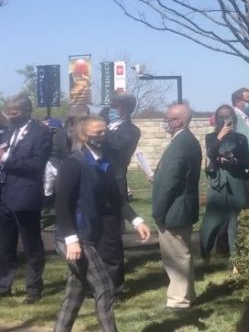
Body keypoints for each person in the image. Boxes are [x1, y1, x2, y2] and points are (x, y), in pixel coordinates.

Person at [53, 116, 151, 332]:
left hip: (89, 235)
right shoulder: (74, 163)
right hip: (73, 238)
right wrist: (72, 240)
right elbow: (61, 205)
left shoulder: (104, 161)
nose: (102, 136)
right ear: (82, 136)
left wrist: (136, 220)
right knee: (105, 287)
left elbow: (115, 197)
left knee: (75, 292)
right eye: (97, 133)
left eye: (104, 132)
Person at [0, 94, 52, 303]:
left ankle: (33, 288)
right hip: (4, 195)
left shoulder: (41, 134)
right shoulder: (10, 131)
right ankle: (4, 285)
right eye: (8, 113)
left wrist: (6, 158)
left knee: (31, 245)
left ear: (27, 111)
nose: (10, 117)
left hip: (25, 196)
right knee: (4, 245)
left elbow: (36, 164)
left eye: (14, 113)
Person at [151, 104, 202, 310]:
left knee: (177, 255)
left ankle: (179, 299)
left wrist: (158, 211)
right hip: (182, 205)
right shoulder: (187, 141)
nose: (166, 122)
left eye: (168, 119)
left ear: (178, 121)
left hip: (174, 208)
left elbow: (171, 181)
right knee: (181, 252)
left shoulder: (181, 144)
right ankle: (188, 294)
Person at [199, 105, 249, 262]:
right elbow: (211, 153)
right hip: (218, 182)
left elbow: (248, 163)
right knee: (212, 218)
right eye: (222, 116)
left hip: (236, 181)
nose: (225, 119)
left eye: (228, 116)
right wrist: (220, 137)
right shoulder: (211, 137)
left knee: (235, 219)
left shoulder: (240, 138)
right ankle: (205, 254)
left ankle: (235, 257)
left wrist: (235, 161)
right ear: (216, 119)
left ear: (233, 118)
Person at [103, 93, 142, 292]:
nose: (110, 109)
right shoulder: (106, 127)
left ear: (125, 109)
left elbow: (117, 146)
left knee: (112, 234)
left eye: (114, 106)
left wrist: (101, 128)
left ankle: (116, 284)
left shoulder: (131, 131)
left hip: (114, 181)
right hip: (95, 182)